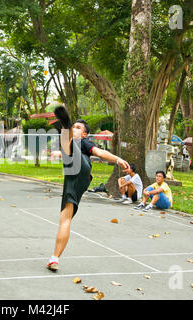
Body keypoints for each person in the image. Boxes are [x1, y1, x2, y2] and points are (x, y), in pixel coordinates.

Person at [46, 106, 130, 272]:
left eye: (78, 128)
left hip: (81, 167)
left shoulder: (84, 142)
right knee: (65, 219)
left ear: (85, 134)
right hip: (73, 180)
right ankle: (54, 258)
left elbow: (99, 153)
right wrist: (57, 153)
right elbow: (66, 152)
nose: (76, 129)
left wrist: (118, 159)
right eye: (73, 127)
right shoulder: (72, 145)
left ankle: (63, 127)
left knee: (70, 145)